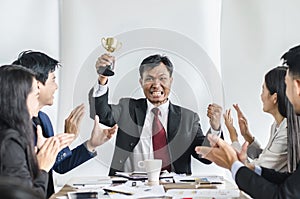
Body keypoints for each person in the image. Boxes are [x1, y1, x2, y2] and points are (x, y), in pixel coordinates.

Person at [195, 44, 300, 198]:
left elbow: (281, 194)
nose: (260, 96)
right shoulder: (277, 126)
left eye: (286, 84)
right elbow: (287, 180)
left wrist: (233, 157)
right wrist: (246, 139)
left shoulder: (288, 130)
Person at [92, 53, 223, 175]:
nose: (156, 84)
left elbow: (205, 157)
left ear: (171, 81)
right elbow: (102, 114)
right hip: (128, 189)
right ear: (141, 82)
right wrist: (103, 78)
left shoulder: (188, 118)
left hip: (173, 190)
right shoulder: (127, 108)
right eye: (149, 78)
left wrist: (215, 129)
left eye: (162, 78)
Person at [12, 50, 118, 198]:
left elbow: (58, 165)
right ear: (36, 84)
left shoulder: (43, 119)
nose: (56, 87)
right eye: (53, 79)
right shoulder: (12, 126)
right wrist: (68, 137)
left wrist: (91, 145)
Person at [0, 65, 64, 198]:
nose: (38, 101)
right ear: (20, 99)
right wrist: (42, 168)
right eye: (36, 95)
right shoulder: (10, 143)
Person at [223, 66, 288, 172]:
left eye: (263, 90)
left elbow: (255, 170)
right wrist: (247, 136)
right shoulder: (277, 125)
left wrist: (234, 137)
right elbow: (266, 158)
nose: (261, 96)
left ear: (274, 98)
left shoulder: (286, 131)